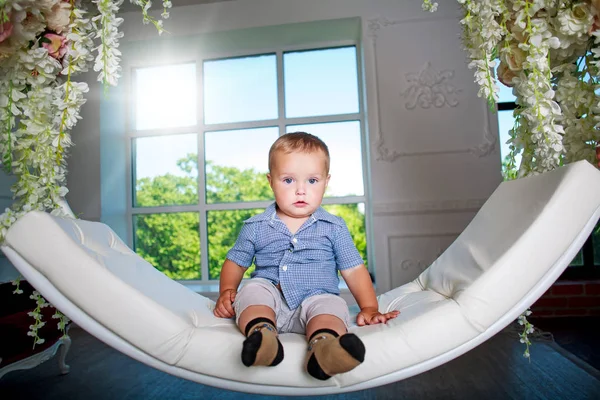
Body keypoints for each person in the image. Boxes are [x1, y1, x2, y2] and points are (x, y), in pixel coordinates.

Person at [213, 132, 399, 380]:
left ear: (326, 181)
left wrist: (369, 306)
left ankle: (324, 349)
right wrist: (227, 291)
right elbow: (235, 262)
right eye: (288, 180)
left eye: (312, 180)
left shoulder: (334, 227)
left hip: (316, 300)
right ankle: (263, 337)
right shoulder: (256, 226)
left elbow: (353, 270)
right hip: (271, 300)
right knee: (253, 290)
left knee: (333, 306)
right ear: (271, 181)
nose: (301, 190)